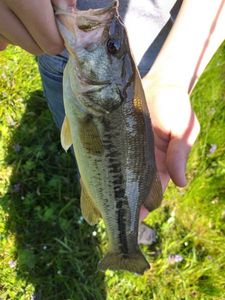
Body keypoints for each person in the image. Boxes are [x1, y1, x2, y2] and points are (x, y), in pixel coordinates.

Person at [0, 0, 225, 219]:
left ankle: (112, 217)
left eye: (112, 46)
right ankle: (92, 187)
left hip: (151, 57)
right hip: (53, 44)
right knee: (82, 150)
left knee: (101, 159)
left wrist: (172, 77)